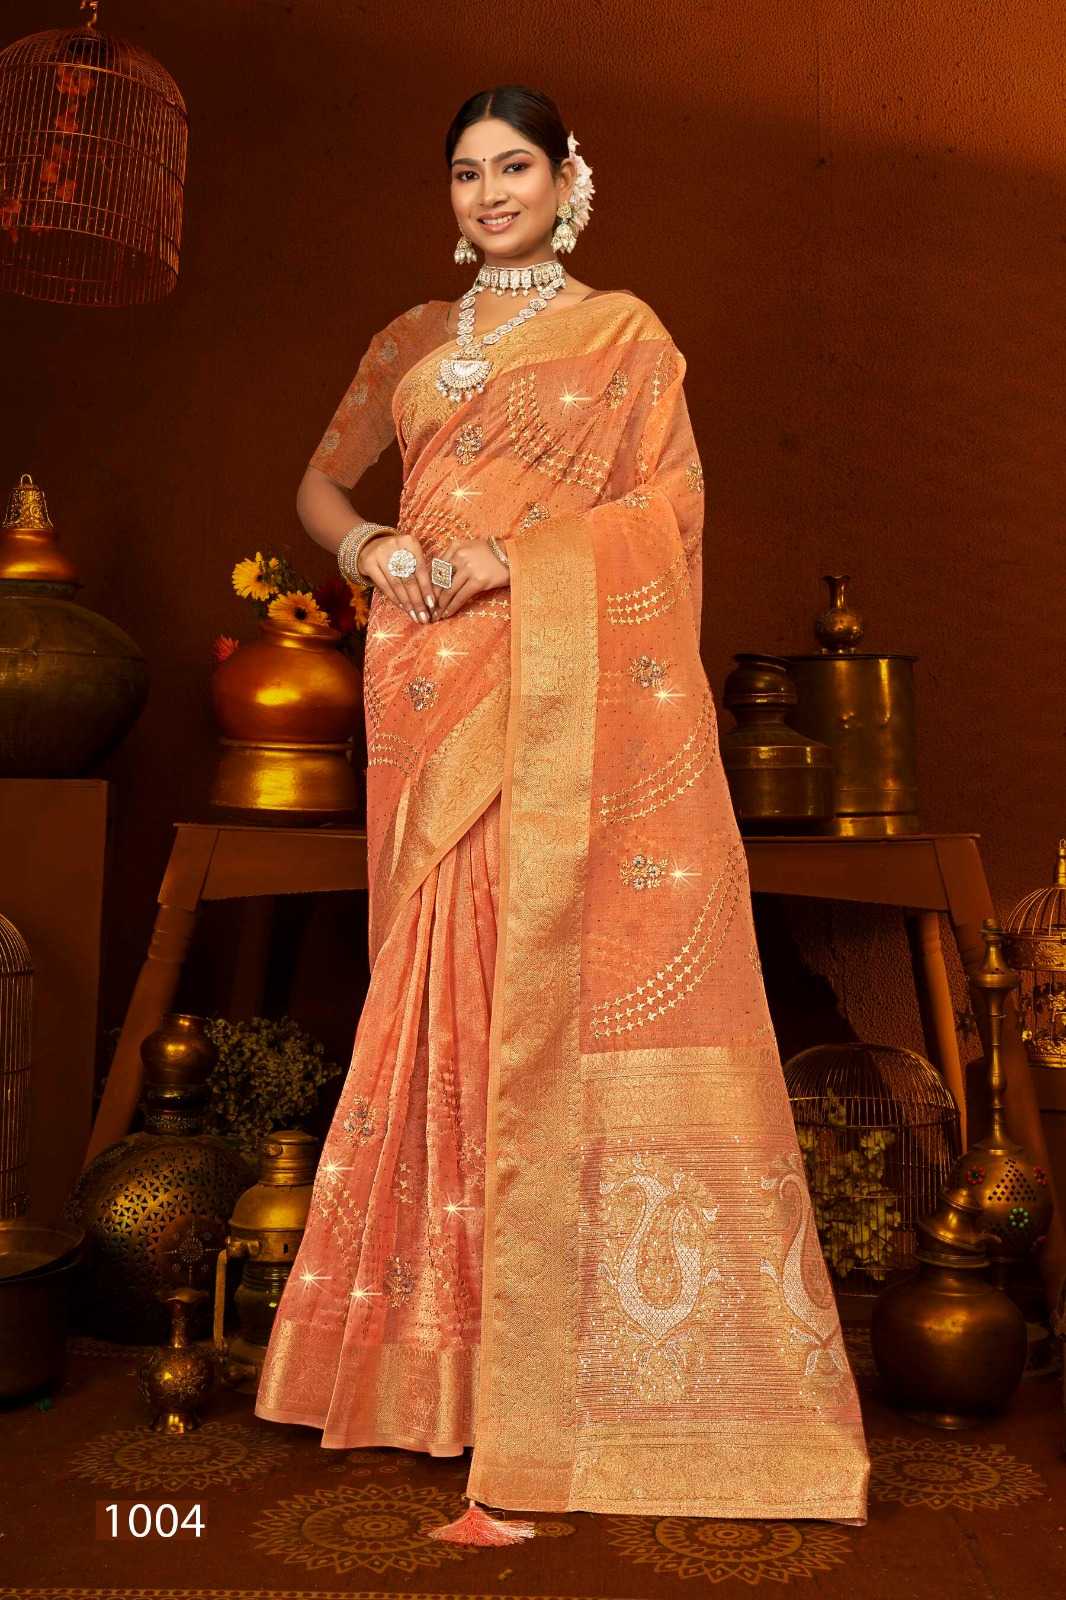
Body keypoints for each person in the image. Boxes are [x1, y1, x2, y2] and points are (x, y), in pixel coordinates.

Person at [254, 83, 870, 1539]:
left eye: (513, 166)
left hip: (546, 671)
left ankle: (536, 1379)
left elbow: (669, 511)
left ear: (564, 178)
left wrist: (509, 561)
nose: (488, 194)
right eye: (465, 172)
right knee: (431, 976)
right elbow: (320, 484)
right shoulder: (412, 337)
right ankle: (428, 1367)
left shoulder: (623, 334)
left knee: (521, 971)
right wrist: (376, 543)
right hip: (421, 679)